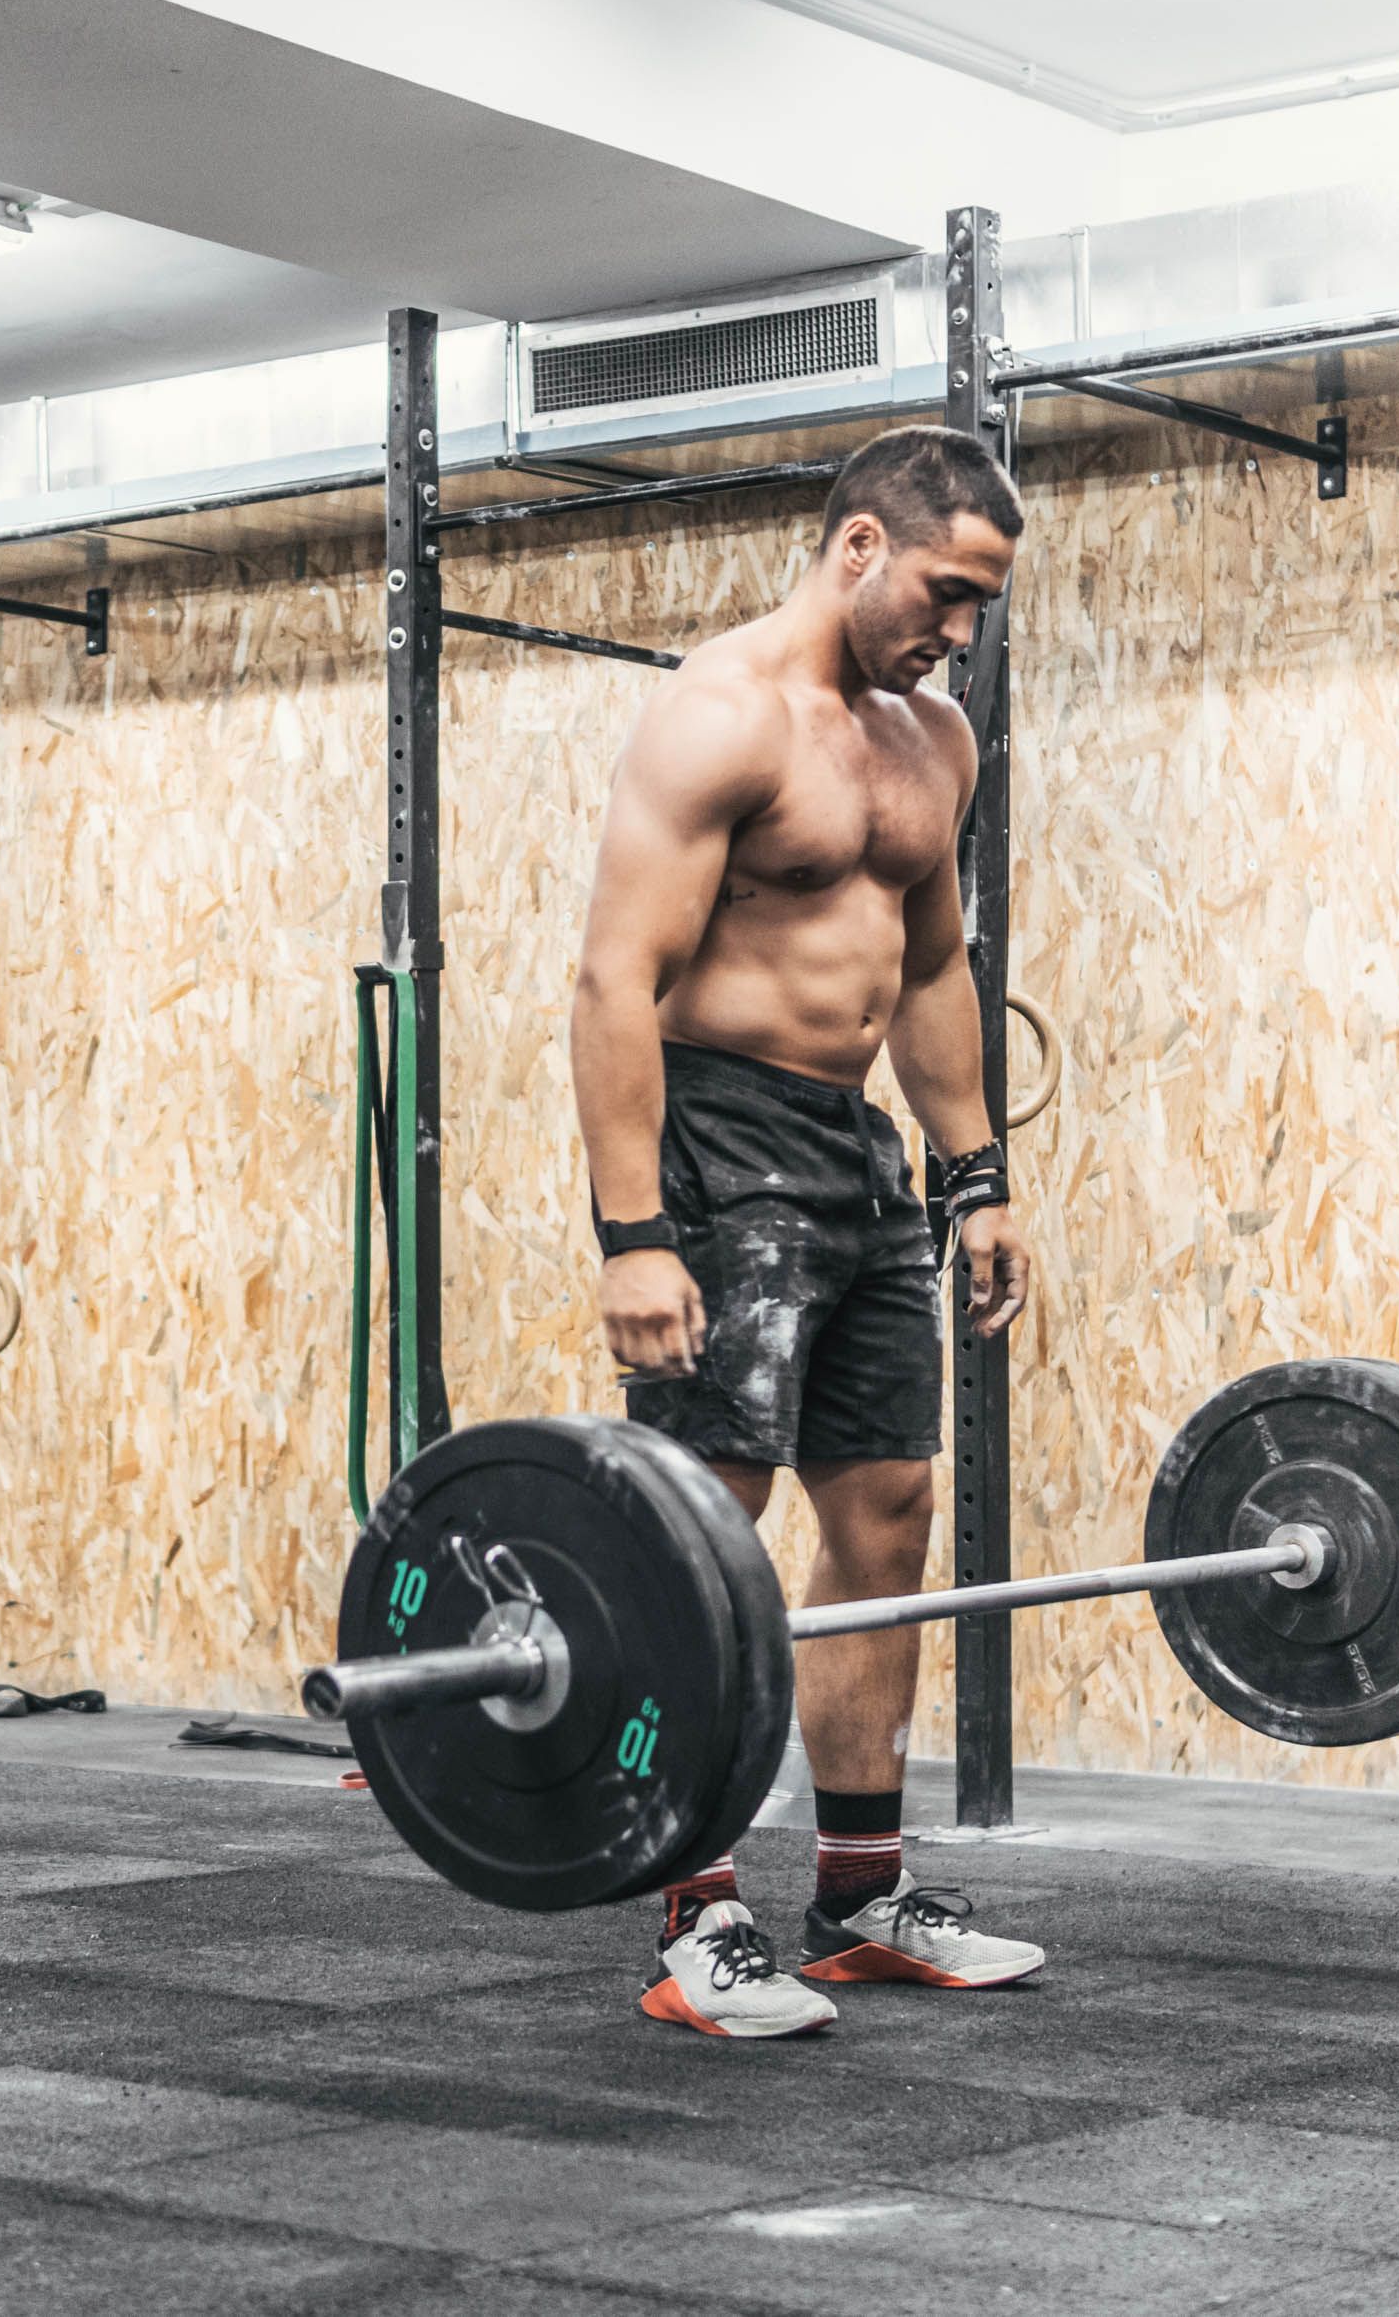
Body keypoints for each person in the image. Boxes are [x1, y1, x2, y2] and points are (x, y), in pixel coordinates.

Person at [571, 425, 1046, 2038]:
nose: (958, 631)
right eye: (943, 591)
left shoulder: (930, 743)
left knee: (888, 1508)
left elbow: (926, 972)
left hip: (850, 1150)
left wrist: (969, 1175)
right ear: (855, 547)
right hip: (718, 1135)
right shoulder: (717, 716)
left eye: (980, 605)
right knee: (709, 1530)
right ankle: (692, 1915)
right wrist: (631, 1230)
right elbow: (612, 979)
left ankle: (854, 1894)